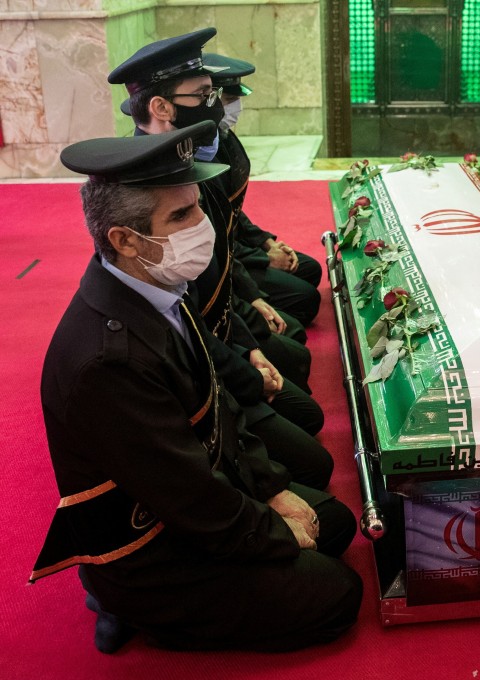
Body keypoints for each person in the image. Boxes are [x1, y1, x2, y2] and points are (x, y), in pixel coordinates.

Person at [30, 123, 362, 652]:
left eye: (197, 207)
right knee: (340, 594)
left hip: (193, 487)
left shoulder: (152, 281)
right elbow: (186, 496)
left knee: (336, 525)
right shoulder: (107, 362)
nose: (203, 224)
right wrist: (274, 534)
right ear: (124, 239)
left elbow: (220, 403)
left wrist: (271, 485)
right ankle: (135, 609)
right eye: (182, 215)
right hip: (150, 545)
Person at [109, 29, 331, 486]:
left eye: (215, 94)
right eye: (203, 94)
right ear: (161, 107)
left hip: (222, 330)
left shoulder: (198, 161)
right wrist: (243, 365)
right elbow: (179, 316)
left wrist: (248, 339)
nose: (217, 105)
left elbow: (226, 244)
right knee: (313, 454)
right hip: (200, 361)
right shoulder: (136, 188)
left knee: (298, 376)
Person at [206, 53, 324, 328]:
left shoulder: (220, 136)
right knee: (306, 300)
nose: (237, 109)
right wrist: (262, 259)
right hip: (223, 259)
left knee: (309, 270)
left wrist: (266, 242)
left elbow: (233, 211)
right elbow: (214, 239)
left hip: (238, 245)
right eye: (230, 101)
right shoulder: (200, 150)